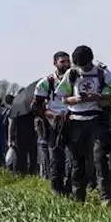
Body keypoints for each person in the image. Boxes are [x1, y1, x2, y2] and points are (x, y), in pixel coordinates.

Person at [62, 45, 111, 202]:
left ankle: (105, 198)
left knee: (99, 158)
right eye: (80, 66)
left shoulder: (102, 72)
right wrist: (76, 99)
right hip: (75, 121)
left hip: (96, 120)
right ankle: (78, 196)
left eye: (85, 66)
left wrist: (97, 97)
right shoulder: (71, 74)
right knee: (77, 161)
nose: (83, 69)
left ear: (91, 61)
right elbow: (64, 98)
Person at [33, 51, 73, 194]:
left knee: (73, 158)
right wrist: (51, 115)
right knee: (56, 159)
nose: (66, 64)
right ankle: (56, 190)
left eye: (68, 61)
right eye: (63, 62)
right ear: (55, 63)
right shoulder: (46, 82)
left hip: (73, 122)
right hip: (54, 126)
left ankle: (70, 189)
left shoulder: (75, 79)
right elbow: (36, 107)